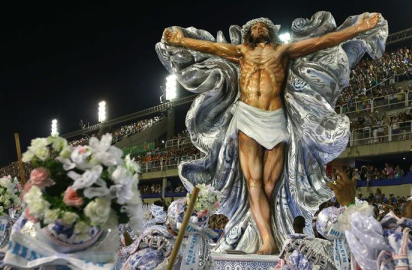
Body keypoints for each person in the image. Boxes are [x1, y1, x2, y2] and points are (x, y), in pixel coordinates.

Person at [161, 13, 381, 254]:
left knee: (268, 185)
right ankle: (267, 239)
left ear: (269, 31)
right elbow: (210, 47)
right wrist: (182, 41)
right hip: (246, 117)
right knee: (253, 182)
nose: (259, 28)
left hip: (276, 118)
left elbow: (321, 42)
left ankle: (266, 230)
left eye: (262, 25)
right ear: (249, 33)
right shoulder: (242, 52)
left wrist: (358, 29)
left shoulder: (282, 51)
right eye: (254, 26)